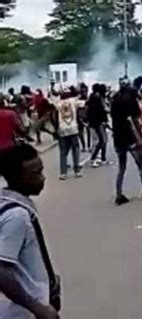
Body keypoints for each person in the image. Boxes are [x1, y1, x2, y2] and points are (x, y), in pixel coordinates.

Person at [0, 143, 60, 319]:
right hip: (23, 313)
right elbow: (2, 271)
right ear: (19, 177)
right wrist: (37, 308)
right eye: (36, 174)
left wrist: (49, 278)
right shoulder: (17, 216)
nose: (43, 178)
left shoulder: (9, 202)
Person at [111, 79, 142, 205]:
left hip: (118, 138)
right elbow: (135, 121)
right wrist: (140, 137)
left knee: (121, 167)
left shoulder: (114, 101)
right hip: (131, 137)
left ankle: (119, 194)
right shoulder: (131, 101)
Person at [55, 94, 82, 180]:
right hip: (73, 130)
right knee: (75, 151)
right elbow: (83, 103)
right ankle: (77, 171)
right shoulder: (73, 101)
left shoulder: (58, 103)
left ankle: (63, 173)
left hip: (63, 130)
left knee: (63, 153)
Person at [87, 84, 110, 167]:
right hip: (98, 123)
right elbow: (104, 110)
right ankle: (94, 158)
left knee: (102, 141)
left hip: (94, 122)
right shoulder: (98, 98)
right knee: (102, 141)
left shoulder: (91, 97)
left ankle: (102, 158)